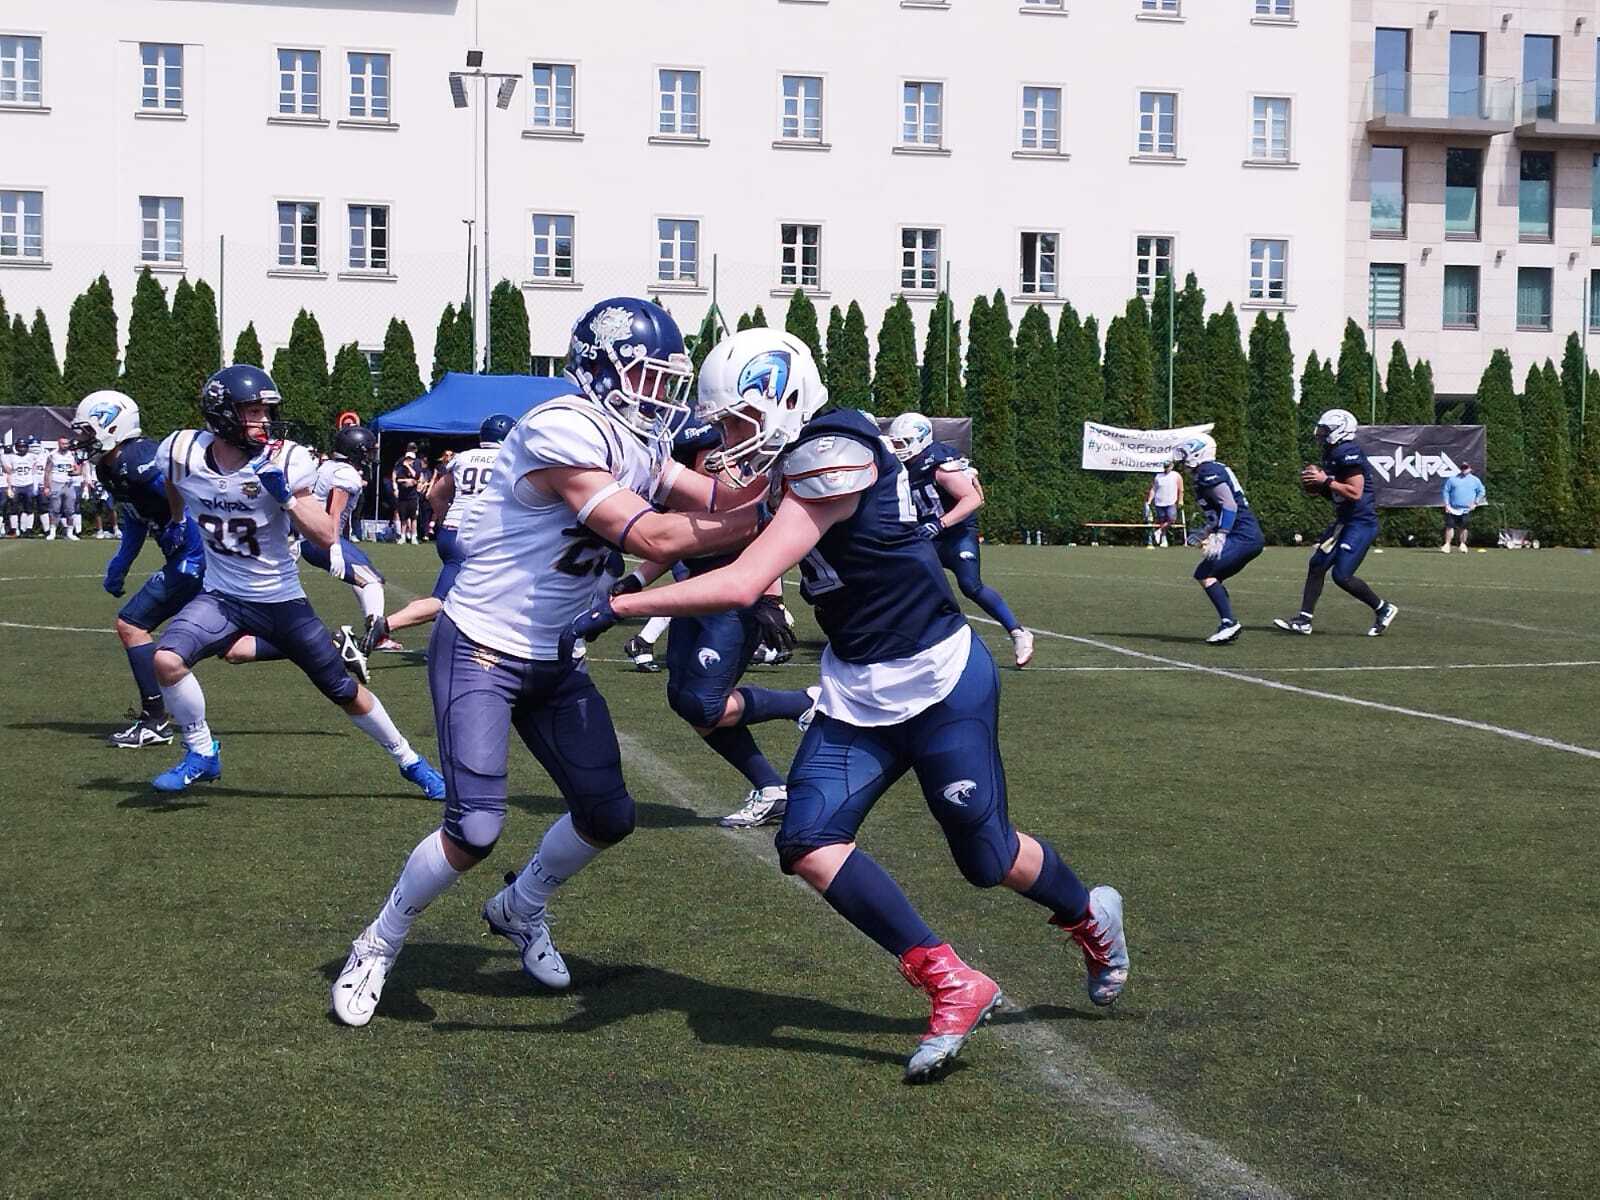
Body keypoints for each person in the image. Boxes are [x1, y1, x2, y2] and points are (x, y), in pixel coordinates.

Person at [581, 340, 1128, 1084]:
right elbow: (721, 524)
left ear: (781, 396)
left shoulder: (833, 450)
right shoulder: (805, 456)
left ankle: (1088, 916)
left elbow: (743, 578)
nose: (731, 441)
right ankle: (951, 982)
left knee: (985, 857)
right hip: (857, 692)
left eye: (739, 421)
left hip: (938, 679)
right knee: (807, 840)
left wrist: (615, 605)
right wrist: (624, 536)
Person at [329, 297, 773, 1029]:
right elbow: (654, 537)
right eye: (646, 377)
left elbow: (724, 493)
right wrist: (775, 516)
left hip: (556, 654)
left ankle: (520, 907)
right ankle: (378, 941)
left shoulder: (639, 443)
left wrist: (791, 469)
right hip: (481, 644)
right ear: (600, 368)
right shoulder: (561, 426)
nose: (659, 396)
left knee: (609, 814)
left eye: (667, 381)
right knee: (475, 828)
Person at [146, 365, 446, 798]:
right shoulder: (180, 450)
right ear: (223, 413)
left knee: (343, 690)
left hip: (280, 600)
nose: (264, 422)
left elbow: (325, 534)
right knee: (167, 660)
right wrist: (175, 520)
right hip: (223, 595)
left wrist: (285, 496)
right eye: (253, 412)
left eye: (266, 412)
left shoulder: (285, 459)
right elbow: (175, 480)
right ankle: (201, 751)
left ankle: (409, 760)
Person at [617, 330, 821, 830]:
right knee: (682, 699)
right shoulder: (706, 479)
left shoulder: (749, 473)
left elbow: (764, 541)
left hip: (734, 598)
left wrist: (770, 597)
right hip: (696, 594)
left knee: (703, 702)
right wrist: (638, 581)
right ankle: (771, 788)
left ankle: (806, 702)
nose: (722, 445)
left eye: (728, 426)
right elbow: (674, 542)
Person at [883, 412, 1034, 668]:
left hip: (955, 533)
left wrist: (940, 523)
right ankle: (901, 640)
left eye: (903, 443)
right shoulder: (900, 465)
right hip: (925, 533)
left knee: (970, 585)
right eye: (895, 443)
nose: (898, 449)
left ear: (920, 440)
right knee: (902, 580)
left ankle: (1018, 632)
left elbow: (974, 499)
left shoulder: (940, 465)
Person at [360, 414, 515, 653]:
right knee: (444, 600)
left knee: (483, 592)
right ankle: (385, 625)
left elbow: (435, 495)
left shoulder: (464, 458)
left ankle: (474, 642)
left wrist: (446, 522)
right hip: (479, 537)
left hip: (453, 533)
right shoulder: (512, 459)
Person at [1274, 408, 1399, 638]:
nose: (1320, 434)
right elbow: (1336, 494)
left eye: (1325, 430)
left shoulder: (1347, 451)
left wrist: (1325, 480)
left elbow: (1355, 492)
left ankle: (1383, 608)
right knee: (1317, 565)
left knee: (1342, 575)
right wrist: (1318, 487)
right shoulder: (1332, 452)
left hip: (1360, 523)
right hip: (1345, 521)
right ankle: (1304, 620)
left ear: (1340, 430)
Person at [295, 424, 390, 669]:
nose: (370, 456)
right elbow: (333, 513)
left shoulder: (326, 466)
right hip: (323, 539)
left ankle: (374, 629)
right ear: (357, 450)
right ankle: (371, 640)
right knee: (372, 581)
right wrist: (334, 546)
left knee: (366, 573)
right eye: (367, 451)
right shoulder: (346, 474)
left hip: (312, 538)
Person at [1170, 435, 1264, 644]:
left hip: (1243, 535)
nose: (1183, 461)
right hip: (1245, 534)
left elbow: (1229, 505)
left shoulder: (1208, 471)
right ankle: (1228, 622)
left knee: (1205, 573)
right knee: (1211, 576)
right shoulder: (1207, 471)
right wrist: (1205, 531)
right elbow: (1220, 510)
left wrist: (1221, 535)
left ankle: (1229, 623)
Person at [4, 434, 45, 537]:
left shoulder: (32, 456)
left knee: (29, 508)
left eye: (23, 446)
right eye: (20, 446)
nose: (22, 448)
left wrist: (35, 484)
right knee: (13, 508)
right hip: (15, 484)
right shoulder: (11, 457)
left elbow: (35, 471)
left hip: (28, 484)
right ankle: (14, 529)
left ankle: (28, 529)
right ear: (17, 447)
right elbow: (9, 473)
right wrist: (9, 488)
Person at [1440, 462, 1485, 553]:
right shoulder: (1452, 479)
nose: (1464, 470)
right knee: (1449, 526)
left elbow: (1481, 491)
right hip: (1452, 508)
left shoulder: (1475, 480)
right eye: (1462, 468)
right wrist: (1447, 504)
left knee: (1464, 527)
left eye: (1466, 468)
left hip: (1466, 509)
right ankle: (1447, 545)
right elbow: (1446, 491)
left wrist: (1475, 503)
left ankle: (1463, 544)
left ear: (1470, 469)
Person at [44, 437, 82, 540]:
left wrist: (73, 473)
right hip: (56, 483)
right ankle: (52, 532)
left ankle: (70, 532)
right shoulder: (52, 455)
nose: (65, 446)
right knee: (54, 509)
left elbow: (78, 470)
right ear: (58, 444)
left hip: (68, 484)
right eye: (63, 444)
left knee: (70, 510)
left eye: (66, 444)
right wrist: (47, 486)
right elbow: (47, 471)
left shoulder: (72, 455)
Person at [1146, 462, 1183, 548]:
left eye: (1168, 466)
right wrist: (1150, 500)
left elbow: (1181, 489)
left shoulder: (1176, 475)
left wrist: (1180, 500)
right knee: (1162, 521)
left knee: (1172, 518)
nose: (1167, 468)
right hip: (1159, 502)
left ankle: (1159, 531)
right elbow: (1154, 489)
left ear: (1172, 466)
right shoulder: (1158, 476)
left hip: (1171, 502)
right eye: (1165, 467)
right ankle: (1163, 539)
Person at [391, 445, 421, 544]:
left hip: (413, 496)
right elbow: (398, 478)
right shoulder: (401, 467)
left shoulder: (416, 466)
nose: (409, 460)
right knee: (403, 518)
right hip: (403, 496)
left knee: (413, 518)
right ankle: (402, 536)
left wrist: (409, 467)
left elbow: (416, 477)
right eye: (408, 458)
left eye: (411, 459)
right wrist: (407, 480)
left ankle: (413, 536)